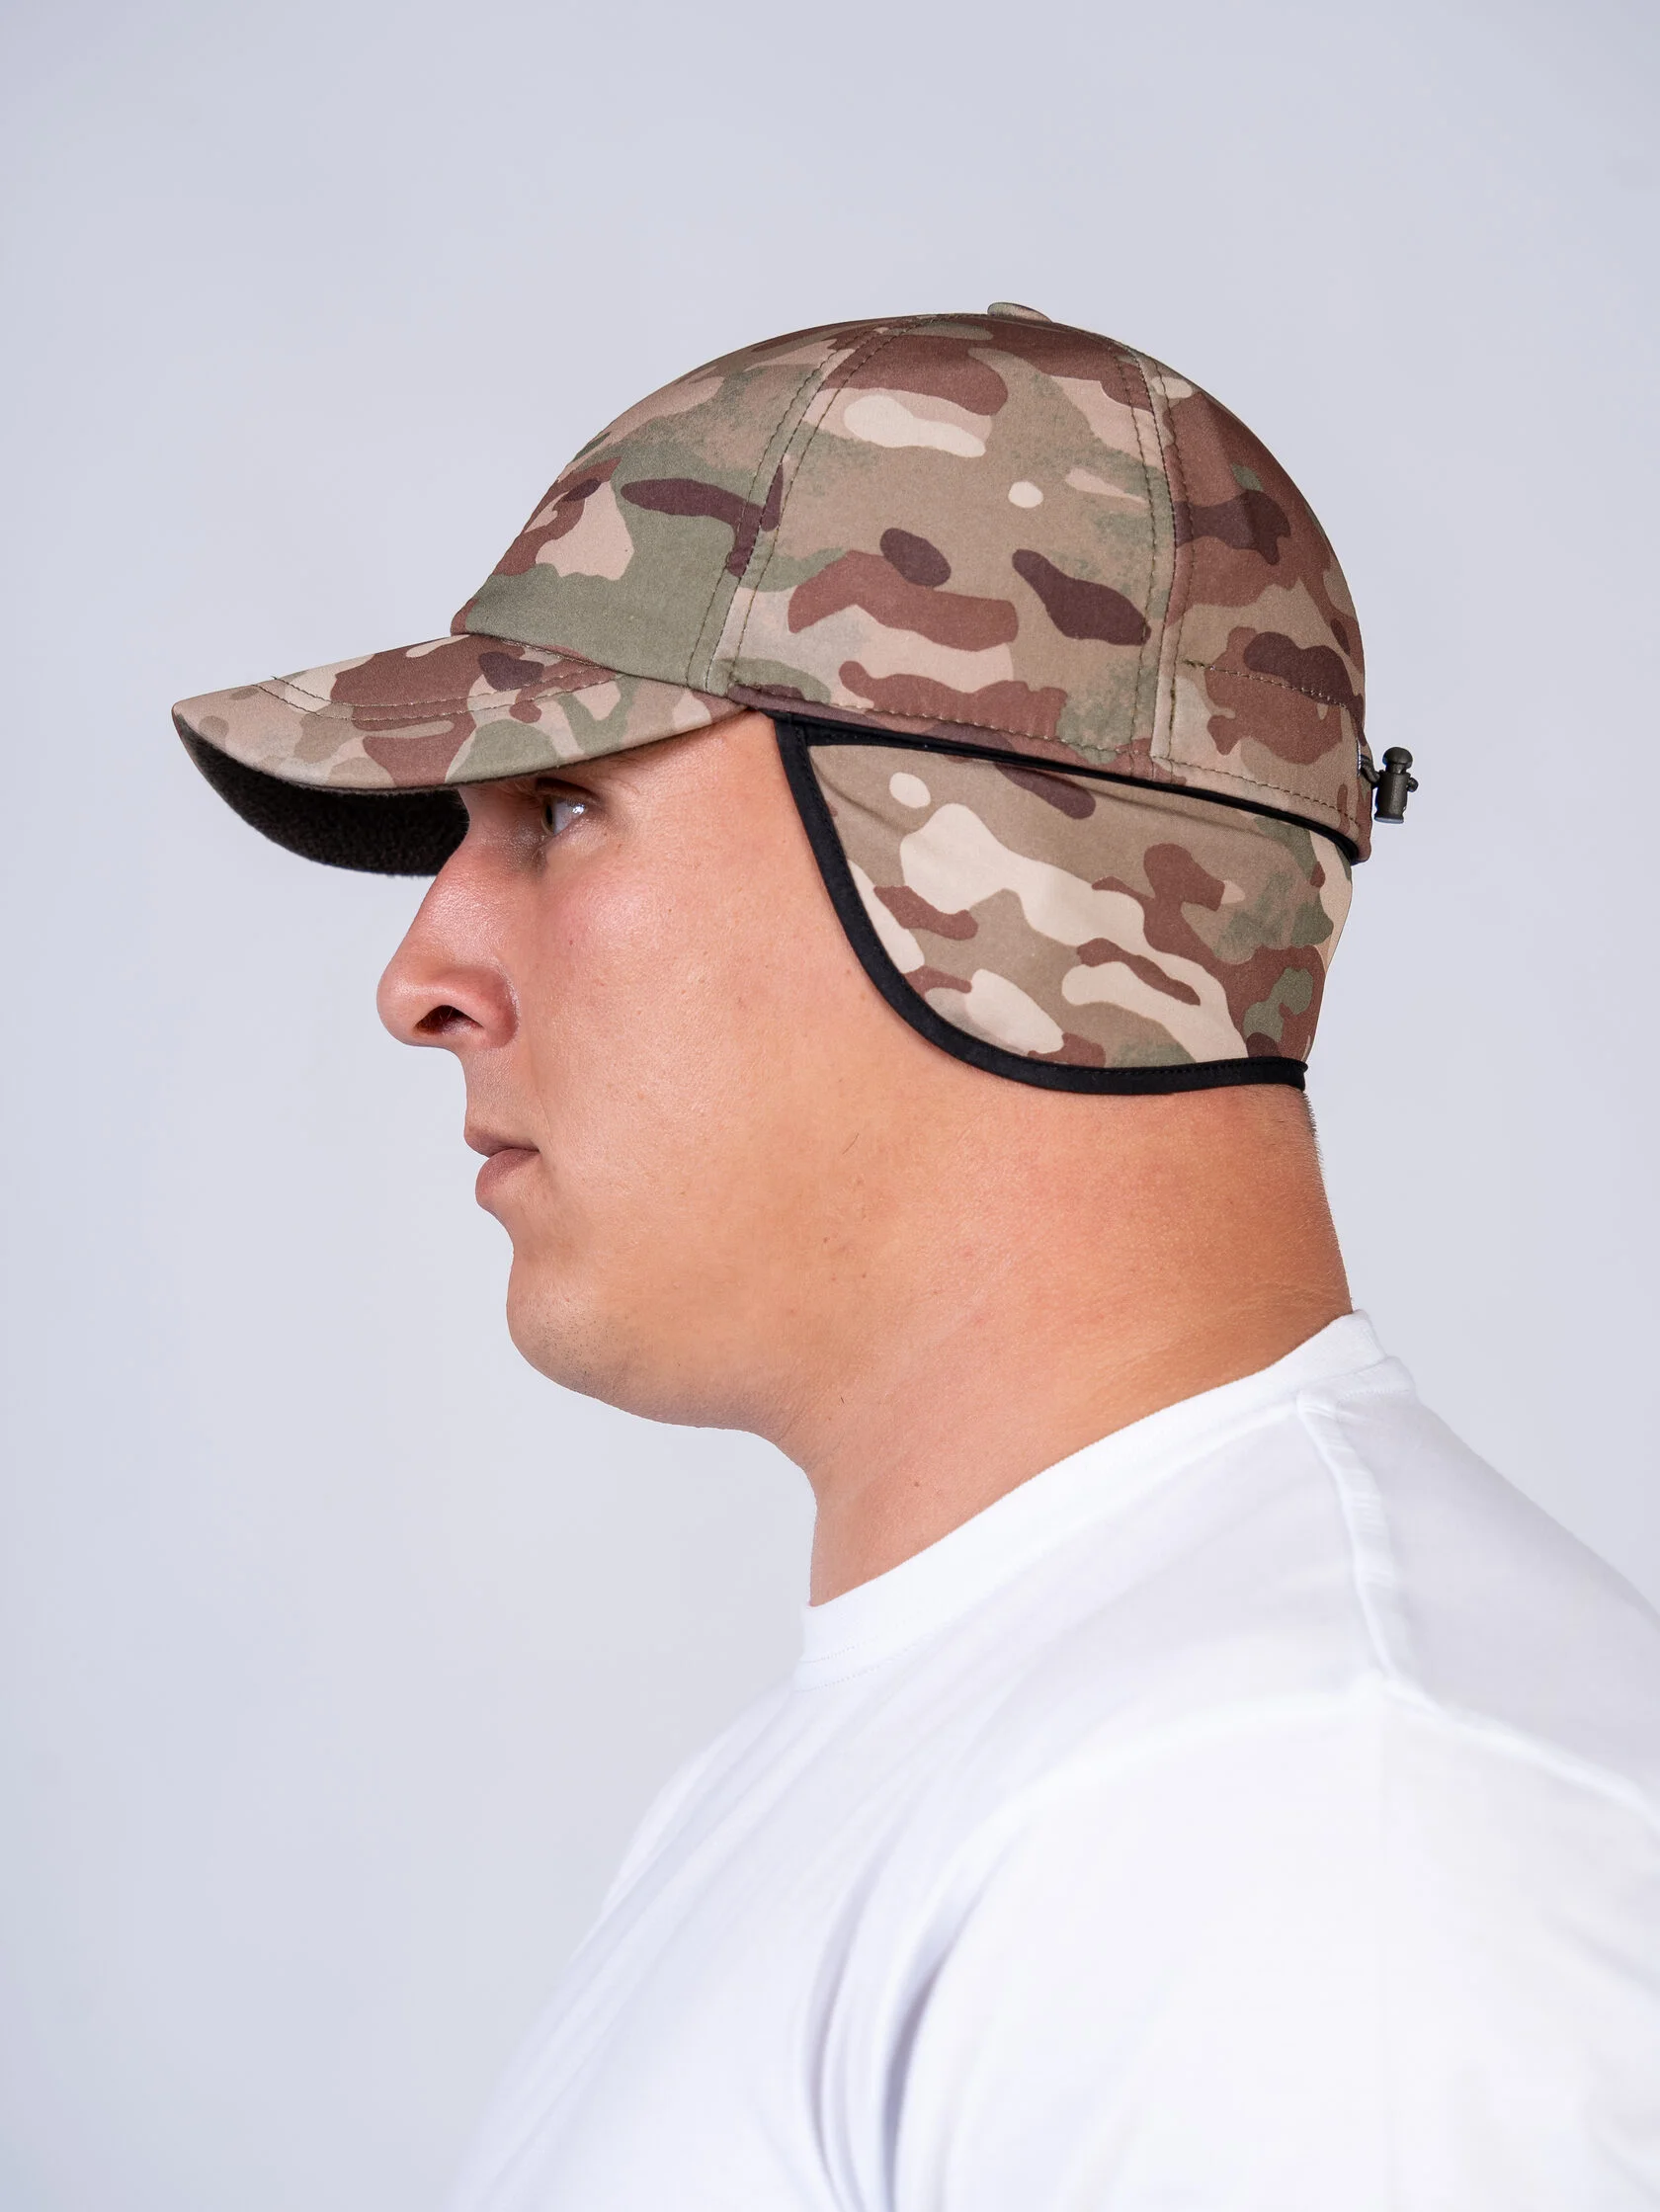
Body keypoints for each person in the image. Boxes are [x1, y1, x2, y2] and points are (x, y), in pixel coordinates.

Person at [173, 307, 1660, 2209]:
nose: (422, 979)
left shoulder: (1309, 1825)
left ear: (967, 868)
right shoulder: (964, 1772)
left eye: (561, 805)